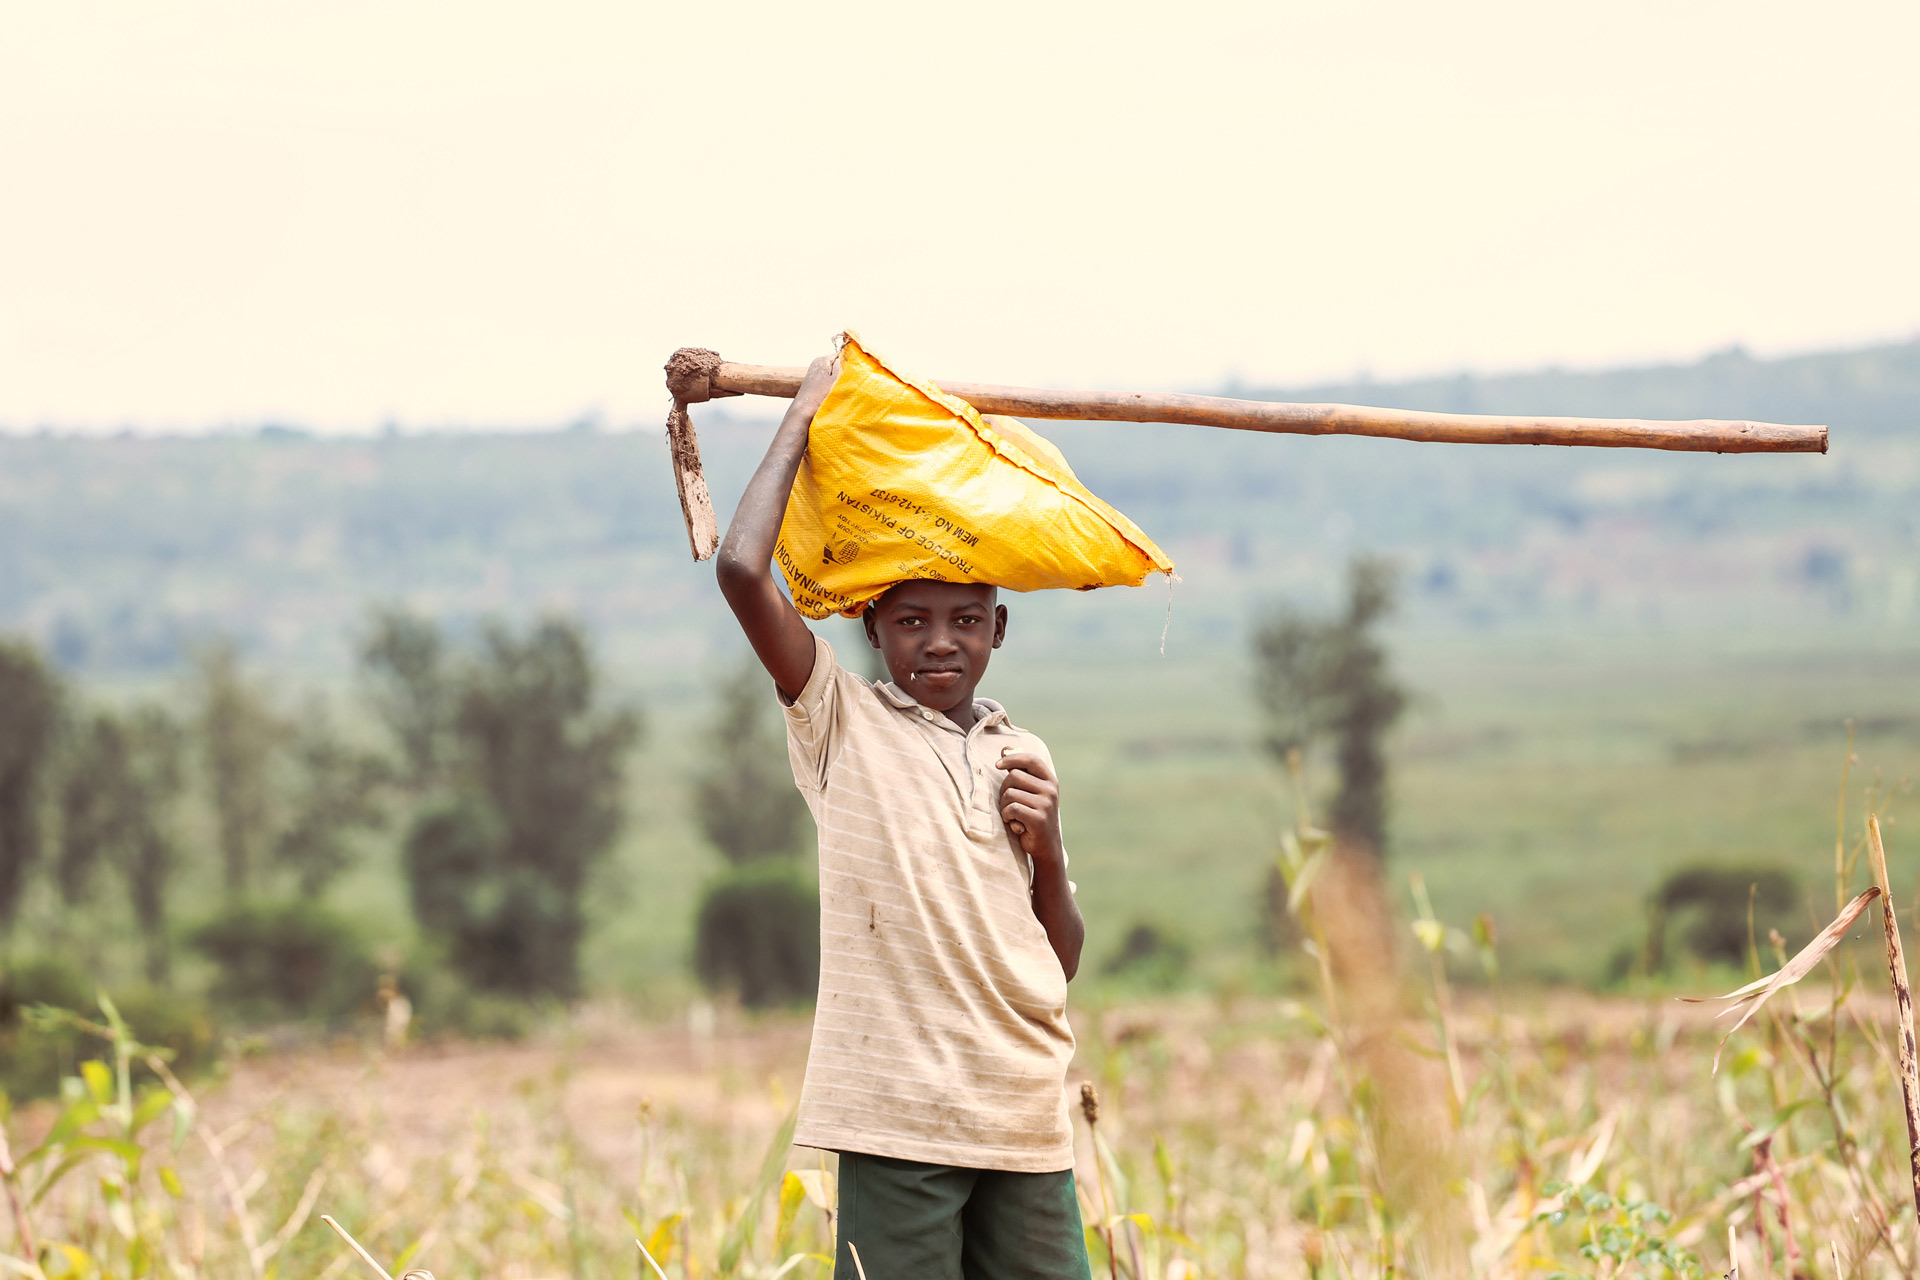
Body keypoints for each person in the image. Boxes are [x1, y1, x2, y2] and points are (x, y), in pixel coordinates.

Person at [714, 351, 1093, 1280]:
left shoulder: (1024, 755)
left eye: (965, 621)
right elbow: (739, 570)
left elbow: (1062, 959)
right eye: (913, 619)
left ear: (997, 632)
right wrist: (807, 413)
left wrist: (1044, 843)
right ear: (873, 628)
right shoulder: (840, 719)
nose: (939, 642)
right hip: (897, 1115)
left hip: (1023, 1108)